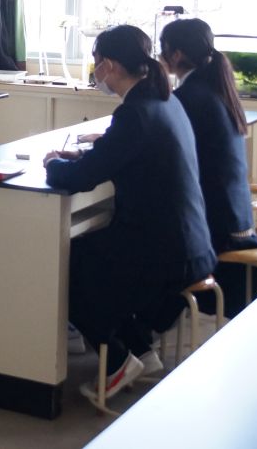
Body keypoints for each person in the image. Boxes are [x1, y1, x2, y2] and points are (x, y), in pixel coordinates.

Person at [44, 25, 215, 401]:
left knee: (68, 264)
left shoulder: (134, 113)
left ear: (109, 65)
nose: (96, 72)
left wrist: (53, 163)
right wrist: (86, 155)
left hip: (164, 254)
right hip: (193, 244)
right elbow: (119, 154)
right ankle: (141, 353)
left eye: (96, 63)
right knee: (90, 255)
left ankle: (118, 361)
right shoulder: (164, 102)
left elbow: (79, 179)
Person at [160, 17, 257, 315]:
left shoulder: (188, 98)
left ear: (176, 54)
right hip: (236, 222)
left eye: (162, 48)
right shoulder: (217, 91)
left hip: (216, 230)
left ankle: (140, 326)